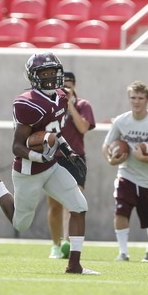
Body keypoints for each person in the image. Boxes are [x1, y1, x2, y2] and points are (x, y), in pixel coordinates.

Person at [0, 51, 99, 274]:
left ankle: (74, 265)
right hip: (29, 169)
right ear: (33, 76)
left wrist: (69, 153)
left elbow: (54, 133)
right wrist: (41, 156)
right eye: (43, 73)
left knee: (79, 206)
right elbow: (17, 146)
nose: (49, 77)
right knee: (20, 223)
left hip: (51, 166)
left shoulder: (61, 97)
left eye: (52, 72)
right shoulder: (28, 103)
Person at [101, 80, 148, 263]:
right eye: (133, 97)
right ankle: (123, 252)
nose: (136, 101)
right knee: (120, 211)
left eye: (140, 98)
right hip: (126, 175)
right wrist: (110, 159)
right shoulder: (121, 121)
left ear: (147, 100)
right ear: (129, 99)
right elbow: (106, 145)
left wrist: (144, 157)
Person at [46, 72, 95, 259]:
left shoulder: (83, 105)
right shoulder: (51, 106)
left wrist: (70, 105)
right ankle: (56, 244)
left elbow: (83, 128)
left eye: (68, 85)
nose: (65, 89)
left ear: (74, 86)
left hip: (75, 158)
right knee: (54, 205)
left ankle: (68, 243)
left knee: (73, 203)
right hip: (53, 157)